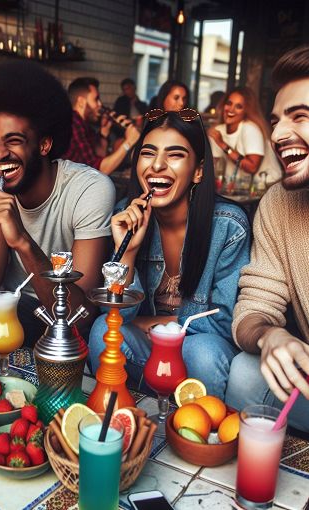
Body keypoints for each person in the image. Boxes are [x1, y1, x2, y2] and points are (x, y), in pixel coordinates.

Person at [0, 61, 115, 365]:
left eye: (14, 141)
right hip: (10, 311)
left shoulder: (90, 189)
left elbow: (81, 315)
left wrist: (22, 240)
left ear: (45, 144)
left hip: (59, 315)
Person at [88, 109, 251, 398]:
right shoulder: (125, 215)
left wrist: (156, 324)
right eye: (148, 153)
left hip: (199, 353)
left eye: (174, 155)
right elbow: (113, 314)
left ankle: (197, 431)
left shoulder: (228, 226)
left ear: (198, 171)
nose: (158, 166)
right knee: (104, 331)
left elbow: (225, 321)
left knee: (201, 351)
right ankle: (122, 421)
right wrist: (127, 252)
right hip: (146, 350)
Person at [227, 45, 309, 432]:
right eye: (276, 120)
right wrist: (271, 334)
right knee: (245, 371)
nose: (277, 133)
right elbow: (253, 308)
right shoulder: (278, 203)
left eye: (300, 117)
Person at [207, 86, 281, 192]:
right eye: (229, 103)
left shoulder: (250, 129)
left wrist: (222, 144)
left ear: (246, 111)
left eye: (239, 106)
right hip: (238, 188)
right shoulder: (218, 131)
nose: (231, 110)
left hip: (266, 186)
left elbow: (252, 167)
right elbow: (214, 167)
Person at [62, 77, 140, 175]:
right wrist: (129, 142)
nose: (100, 104)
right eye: (96, 99)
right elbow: (96, 171)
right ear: (81, 102)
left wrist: (104, 132)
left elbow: (99, 156)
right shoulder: (73, 123)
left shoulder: (83, 124)